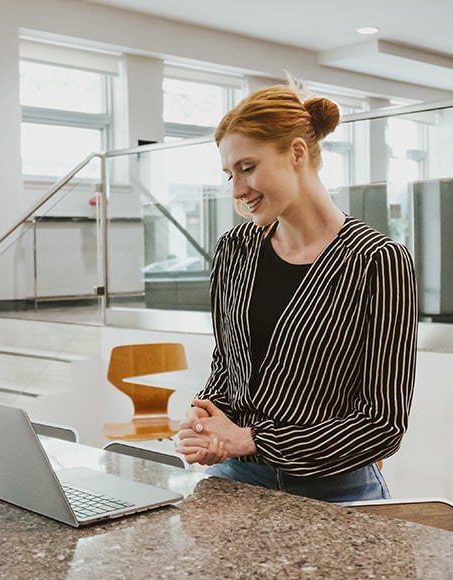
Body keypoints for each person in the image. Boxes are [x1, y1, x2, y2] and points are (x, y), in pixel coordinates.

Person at [176, 79, 418, 503]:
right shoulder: (234, 251)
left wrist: (249, 440)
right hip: (237, 481)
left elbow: (382, 425)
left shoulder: (378, 261)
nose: (237, 190)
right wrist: (206, 417)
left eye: (248, 168)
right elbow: (228, 368)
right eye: (229, 174)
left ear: (297, 153)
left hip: (337, 493)